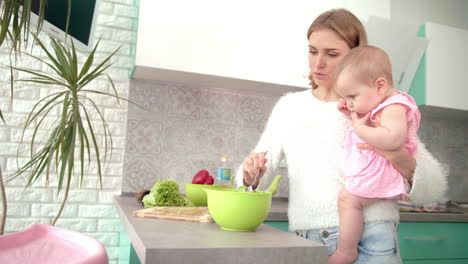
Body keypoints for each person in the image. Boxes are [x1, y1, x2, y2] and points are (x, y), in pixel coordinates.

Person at [236, 8, 447, 263]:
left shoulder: (378, 106)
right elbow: (252, 175)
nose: (318, 64)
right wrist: (250, 176)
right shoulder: (289, 107)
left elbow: (433, 188)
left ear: (355, 55)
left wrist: (398, 157)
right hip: (307, 239)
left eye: (331, 54)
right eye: (312, 51)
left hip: (373, 235)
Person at [328, 45, 420, 264]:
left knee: (348, 199)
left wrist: (359, 128)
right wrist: (352, 115)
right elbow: (375, 129)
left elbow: (392, 140)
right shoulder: (384, 105)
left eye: (352, 95)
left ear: (379, 86)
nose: (349, 102)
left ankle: (346, 250)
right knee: (347, 198)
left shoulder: (395, 107)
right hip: (379, 171)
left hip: (383, 173)